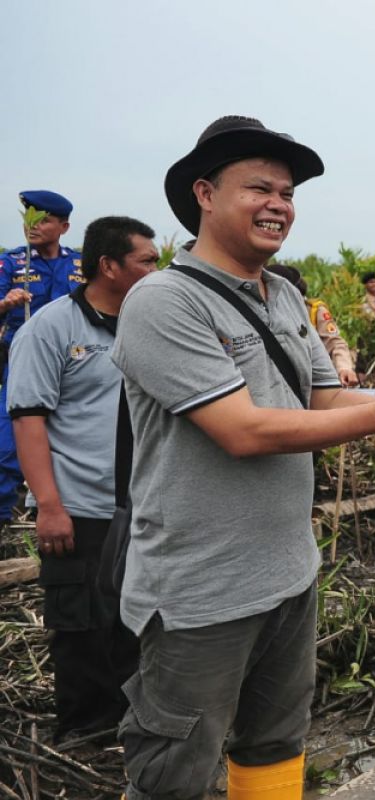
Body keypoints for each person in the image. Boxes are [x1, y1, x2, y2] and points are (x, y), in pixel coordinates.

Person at [111, 115, 375, 799]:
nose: (279, 204)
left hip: (288, 572)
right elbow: (241, 430)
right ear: (205, 194)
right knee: (173, 771)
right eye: (259, 187)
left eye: (288, 192)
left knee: (275, 742)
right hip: (199, 593)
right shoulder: (164, 302)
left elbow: (325, 399)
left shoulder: (287, 298)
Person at [7, 216, 157, 743]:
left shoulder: (149, 325)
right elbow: (28, 418)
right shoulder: (50, 328)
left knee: (135, 623)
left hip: (144, 506)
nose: (155, 269)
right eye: (146, 260)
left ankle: (132, 728)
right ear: (109, 267)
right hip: (80, 509)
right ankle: (85, 735)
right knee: (81, 625)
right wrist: (48, 505)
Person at [0, 191, 86, 523]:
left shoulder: (80, 263)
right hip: (23, 362)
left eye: (44, 220)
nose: (33, 226)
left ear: (63, 226)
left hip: (77, 358)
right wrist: (6, 304)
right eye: (29, 219)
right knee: (8, 445)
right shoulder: (10, 262)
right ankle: (6, 522)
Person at [265, 264, 359, 387]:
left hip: (311, 380)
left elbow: (335, 342)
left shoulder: (312, 311)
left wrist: (344, 368)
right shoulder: (258, 312)